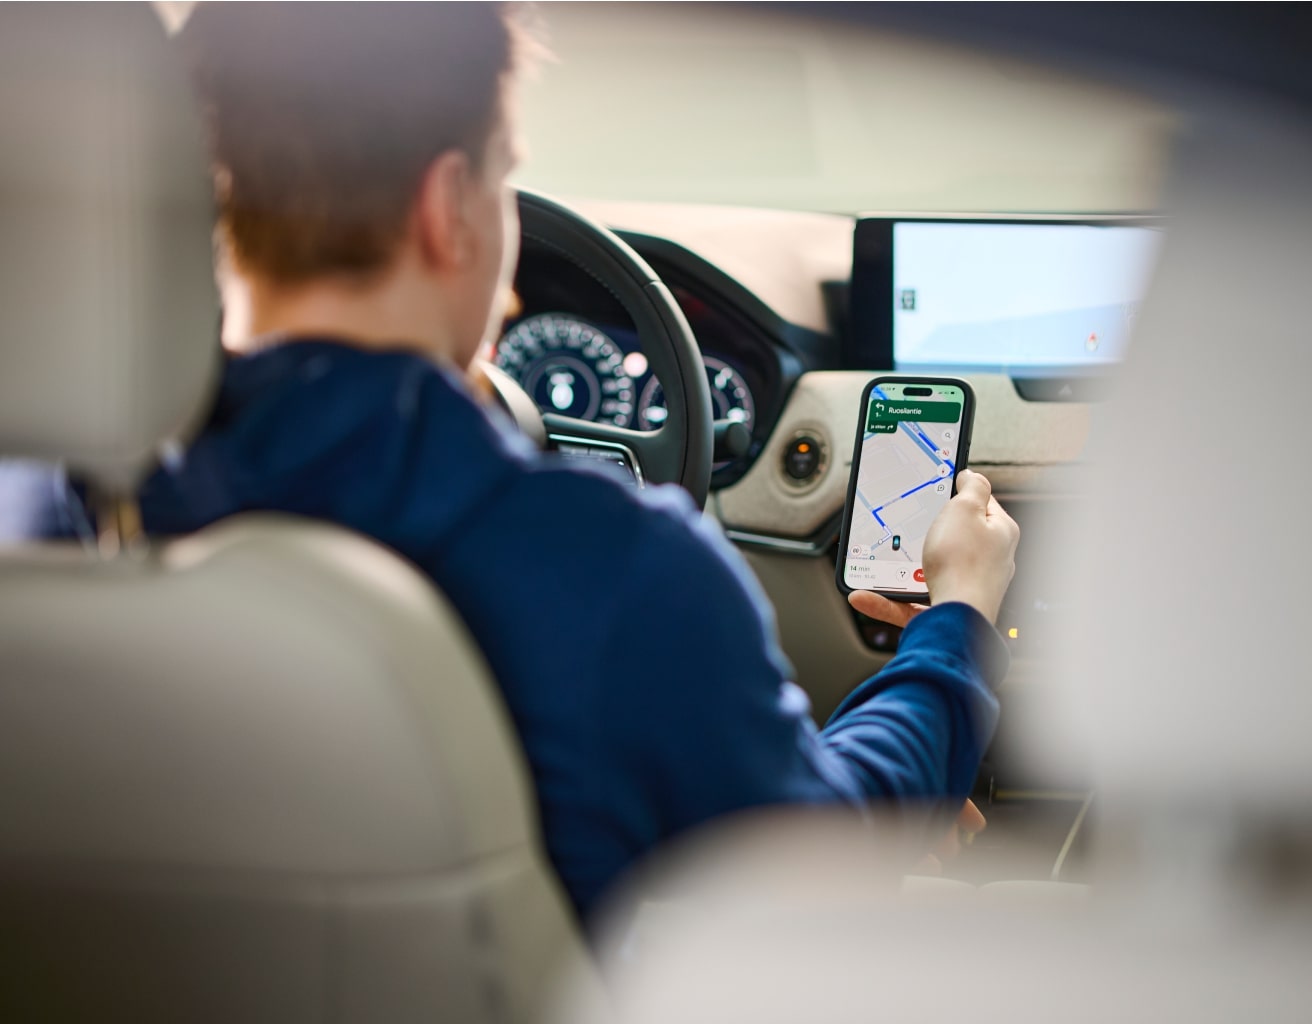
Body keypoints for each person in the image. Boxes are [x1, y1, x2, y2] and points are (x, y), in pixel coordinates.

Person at [4, 3, 1018, 923]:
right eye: (505, 176)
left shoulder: (50, 526)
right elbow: (818, 862)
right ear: (449, 207)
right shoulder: (614, 564)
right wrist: (957, 621)